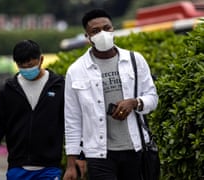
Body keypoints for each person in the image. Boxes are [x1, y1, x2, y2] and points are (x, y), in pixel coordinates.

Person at [63, 9, 158, 180]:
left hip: (135, 149)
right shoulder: (76, 71)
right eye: (96, 31)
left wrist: (135, 102)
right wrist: (71, 162)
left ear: (113, 29)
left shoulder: (135, 60)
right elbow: (72, 119)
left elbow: (153, 98)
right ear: (87, 37)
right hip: (98, 154)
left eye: (107, 28)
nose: (103, 34)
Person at [0, 40, 65, 179]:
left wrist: (77, 156)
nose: (26, 69)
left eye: (30, 65)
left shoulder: (59, 86)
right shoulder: (9, 89)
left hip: (50, 168)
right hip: (17, 167)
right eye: (21, 66)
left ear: (41, 60)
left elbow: (72, 123)